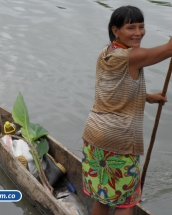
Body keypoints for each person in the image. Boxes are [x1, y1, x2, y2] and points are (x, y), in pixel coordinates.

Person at [82, 5, 169, 215]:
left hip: (95, 138)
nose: (138, 32)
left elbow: (113, 92)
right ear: (115, 30)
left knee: (103, 196)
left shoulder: (107, 53)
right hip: (119, 142)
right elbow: (168, 50)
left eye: (141, 26)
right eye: (131, 27)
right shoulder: (129, 57)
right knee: (125, 203)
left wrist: (147, 97)